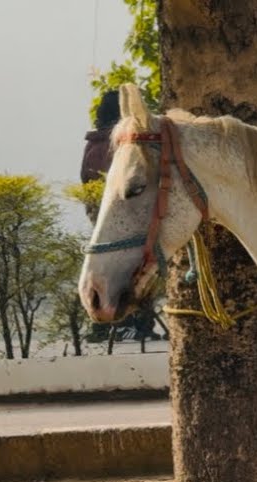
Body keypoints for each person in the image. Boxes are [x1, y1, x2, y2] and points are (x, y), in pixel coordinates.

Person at [79, 90, 161, 343]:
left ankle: (109, 327)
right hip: (125, 223)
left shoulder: (92, 146)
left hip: (100, 221)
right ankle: (135, 325)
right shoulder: (122, 145)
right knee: (134, 272)